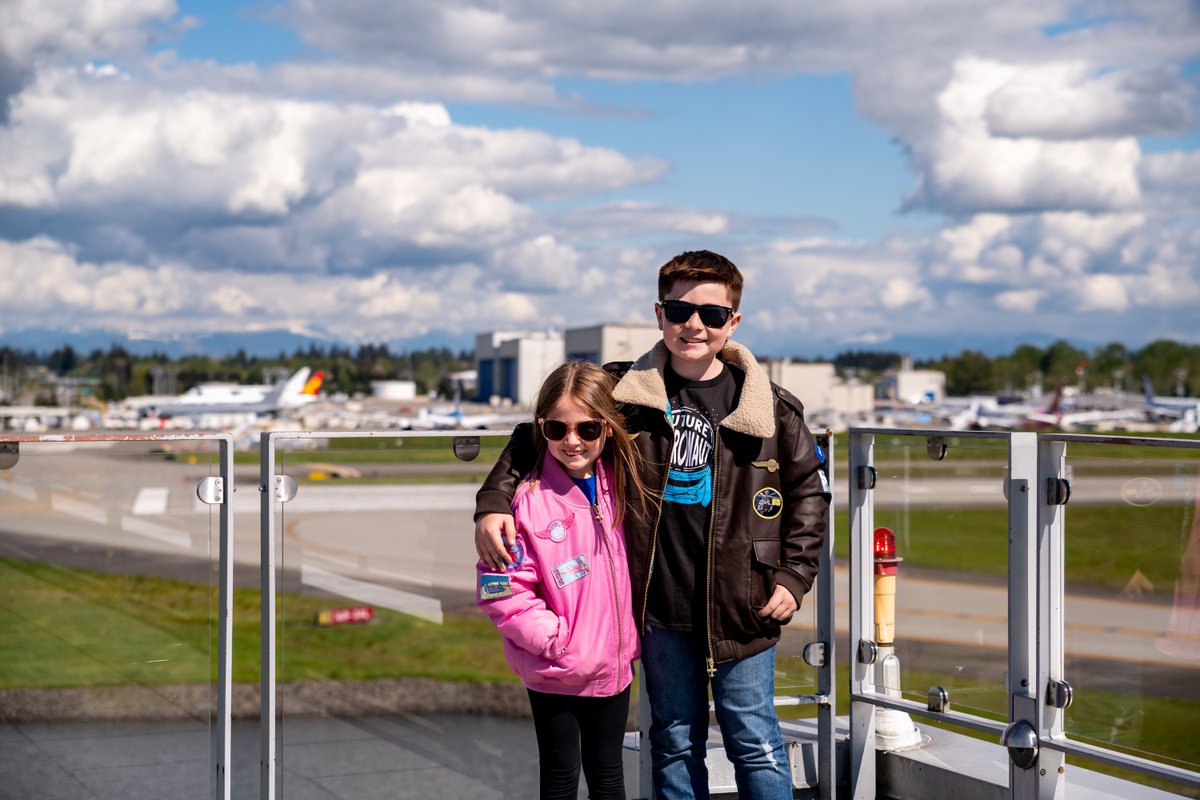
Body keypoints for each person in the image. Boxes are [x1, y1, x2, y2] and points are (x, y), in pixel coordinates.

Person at [476, 250, 831, 799]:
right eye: (679, 310)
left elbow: (810, 492)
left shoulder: (772, 409)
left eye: (712, 315)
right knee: (672, 738)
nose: (694, 325)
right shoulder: (624, 392)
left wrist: (794, 575)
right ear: (658, 313)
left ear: (733, 322)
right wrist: (495, 500)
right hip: (657, 606)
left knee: (755, 740)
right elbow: (538, 434)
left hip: (744, 603)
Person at [476, 359, 650, 800]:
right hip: (556, 667)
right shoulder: (526, 501)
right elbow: (499, 588)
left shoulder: (624, 481)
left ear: (607, 429)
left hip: (613, 666)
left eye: (587, 429)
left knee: (609, 775)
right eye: (557, 430)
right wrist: (557, 641)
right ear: (541, 428)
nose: (572, 441)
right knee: (559, 777)